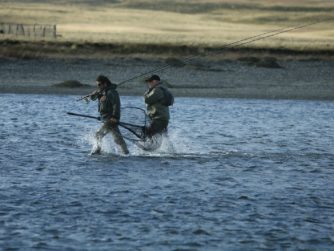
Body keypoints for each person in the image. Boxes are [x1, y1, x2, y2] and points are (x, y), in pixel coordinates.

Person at [89, 75, 129, 155]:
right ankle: (126, 153)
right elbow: (92, 98)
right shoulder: (102, 92)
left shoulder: (111, 92)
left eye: (99, 84)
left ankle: (98, 150)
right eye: (97, 85)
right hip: (105, 119)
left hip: (111, 119)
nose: (98, 86)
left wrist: (115, 117)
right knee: (117, 138)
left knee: (99, 134)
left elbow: (116, 105)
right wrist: (93, 94)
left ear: (105, 84)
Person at [143, 74, 171, 139]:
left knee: (148, 133)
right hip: (164, 118)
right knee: (162, 137)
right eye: (148, 82)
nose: (149, 83)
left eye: (150, 81)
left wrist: (148, 91)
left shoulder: (156, 90)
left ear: (155, 81)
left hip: (158, 118)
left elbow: (147, 100)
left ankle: (147, 147)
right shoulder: (164, 89)